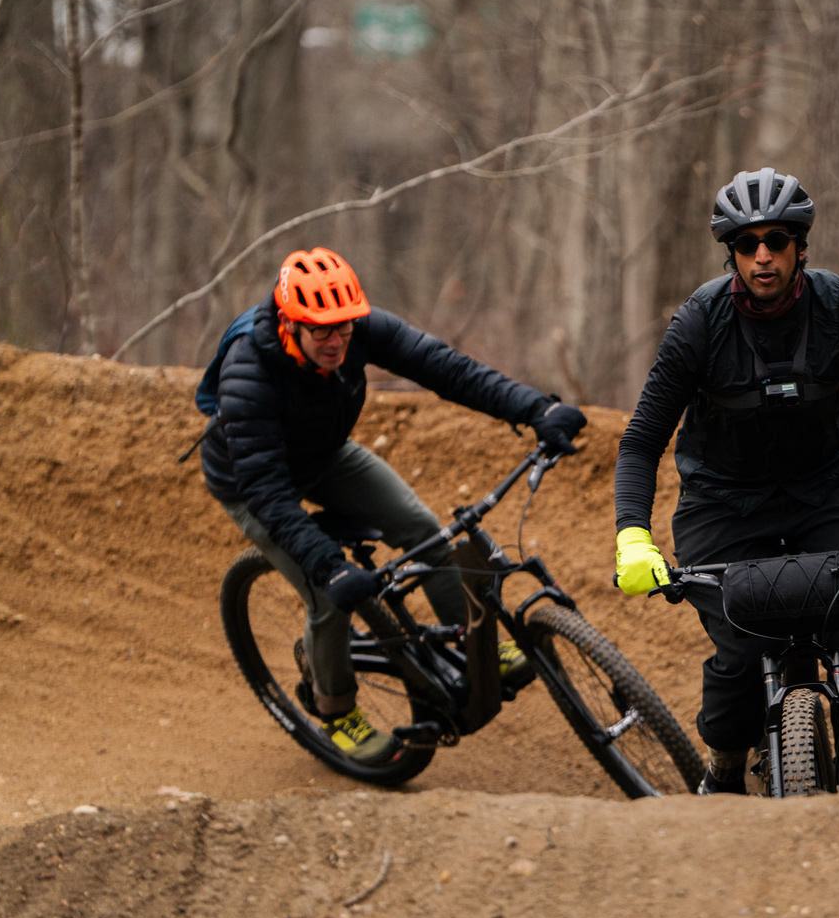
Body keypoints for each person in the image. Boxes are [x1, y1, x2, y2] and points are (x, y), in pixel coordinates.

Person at [611, 169, 839, 794]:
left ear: (801, 246)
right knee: (737, 648)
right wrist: (632, 537)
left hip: (826, 491)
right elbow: (642, 440)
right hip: (722, 504)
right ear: (729, 251)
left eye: (777, 240)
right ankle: (727, 762)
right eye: (747, 242)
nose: (763, 255)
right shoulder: (699, 325)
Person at [199, 247, 585, 763]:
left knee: (419, 525)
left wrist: (536, 407)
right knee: (328, 594)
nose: (336, 341)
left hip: (323, 452)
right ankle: (335, 711)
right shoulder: (249, 372)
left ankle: (479, 649)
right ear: (290, 324)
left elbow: (446, 368)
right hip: (254, 483)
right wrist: (330, 567)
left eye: (344, 328)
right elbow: (266, 490)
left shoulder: (358, 327)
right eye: (321, 332)